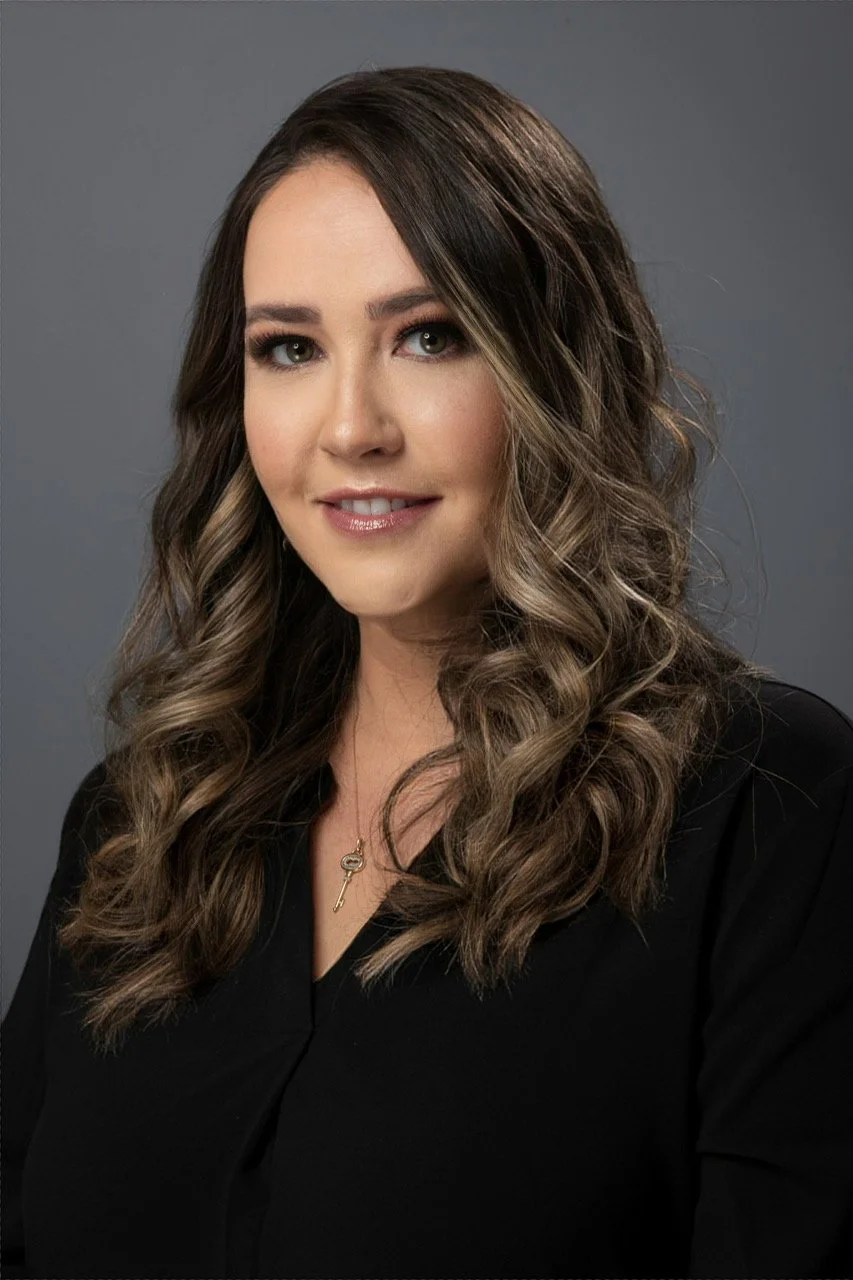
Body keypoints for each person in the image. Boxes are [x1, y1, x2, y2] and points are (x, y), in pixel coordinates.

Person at [2, 65, 852, 1280]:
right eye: (288, 347)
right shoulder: (142, 821)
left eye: (429, 336)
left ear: (551, 368)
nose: (351, 425)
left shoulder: (765, 808)